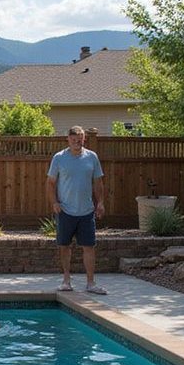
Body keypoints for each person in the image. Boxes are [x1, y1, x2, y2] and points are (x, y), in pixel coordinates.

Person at [47, 126, 107, 295]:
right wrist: (54, 202)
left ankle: (91, 283)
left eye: (80, 139)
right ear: (68, 139)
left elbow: (98, 182)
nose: (77, 142)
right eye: (74, 139)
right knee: (64, 246)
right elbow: (51, 183)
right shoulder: (59, 158)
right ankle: (66, 280)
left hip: (87, 211)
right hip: (65, 210)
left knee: (89, 247)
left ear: (83, 139)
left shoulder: (92, 157)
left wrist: (100, 202)